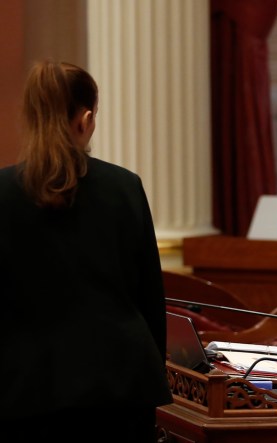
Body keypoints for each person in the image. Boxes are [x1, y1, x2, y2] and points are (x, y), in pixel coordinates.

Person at [0, 60, 172, 441]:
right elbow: (149, 296)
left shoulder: (2, 192)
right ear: (86, 119)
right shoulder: (125, 186)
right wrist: (152, 370)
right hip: (121, 384)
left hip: (24, 389)